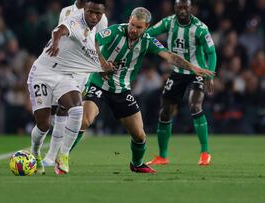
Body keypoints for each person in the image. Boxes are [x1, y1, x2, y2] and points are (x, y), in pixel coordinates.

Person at [76, 7, 215, 173]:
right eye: (132, 24)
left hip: (121, 90)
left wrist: (192, 67)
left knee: (140, 136)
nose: (133, 29)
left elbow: (169, 56)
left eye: (139, 27)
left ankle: (136, 163)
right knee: (85, 120)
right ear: (129, 20)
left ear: (147, 27)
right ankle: (62, 158)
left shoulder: (148, 40)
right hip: (98, 83)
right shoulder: (115, 31)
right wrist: (102, 64)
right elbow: (92, 41)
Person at [27, 0, 113, 175]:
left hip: (65, 75)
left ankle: (63, 156)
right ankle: (35, 152)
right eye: (91, 12)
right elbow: (59, 31)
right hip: (42, 73)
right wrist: (56, 42)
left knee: (76, 109)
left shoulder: (92, 31)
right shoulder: (75, 19)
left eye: (98, 14)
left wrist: (103, 68)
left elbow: (94, 50)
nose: (94, 17)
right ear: (85, 10)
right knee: (43, 125)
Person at [145, 0, 217, 166]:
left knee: (195, 105)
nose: (183, 10)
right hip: (177, 73)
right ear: (175, 8)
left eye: (186, 7)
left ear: (191, 8)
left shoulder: (200, 28)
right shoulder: (168, 22)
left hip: (197, 72)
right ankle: (162, 156)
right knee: (165, 113)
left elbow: (211, 53)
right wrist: (156, 46)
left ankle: (205, 152)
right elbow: (148, 33)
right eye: (179, 7)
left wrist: (210, 76)